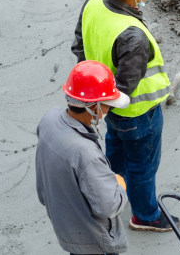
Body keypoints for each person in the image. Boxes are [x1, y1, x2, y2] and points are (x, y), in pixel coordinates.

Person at [72, 0, 178, 232]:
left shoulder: (93, 2)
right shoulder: (133, 36)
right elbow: (126, 86)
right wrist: (110, 104)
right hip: (138, 114)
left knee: (115, 152)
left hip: (109, 109)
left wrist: (98, 103)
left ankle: (109, 191)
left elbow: (79, 46)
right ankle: (145, 216)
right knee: (142, 167)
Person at [36, 60, 131, 255]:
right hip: (94, 242)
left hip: (67, 224)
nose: (108, 110)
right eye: (107, 105)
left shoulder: (50, 119)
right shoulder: (85, 154)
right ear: (93, 107)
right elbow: (108, 207)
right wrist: (120, 185)